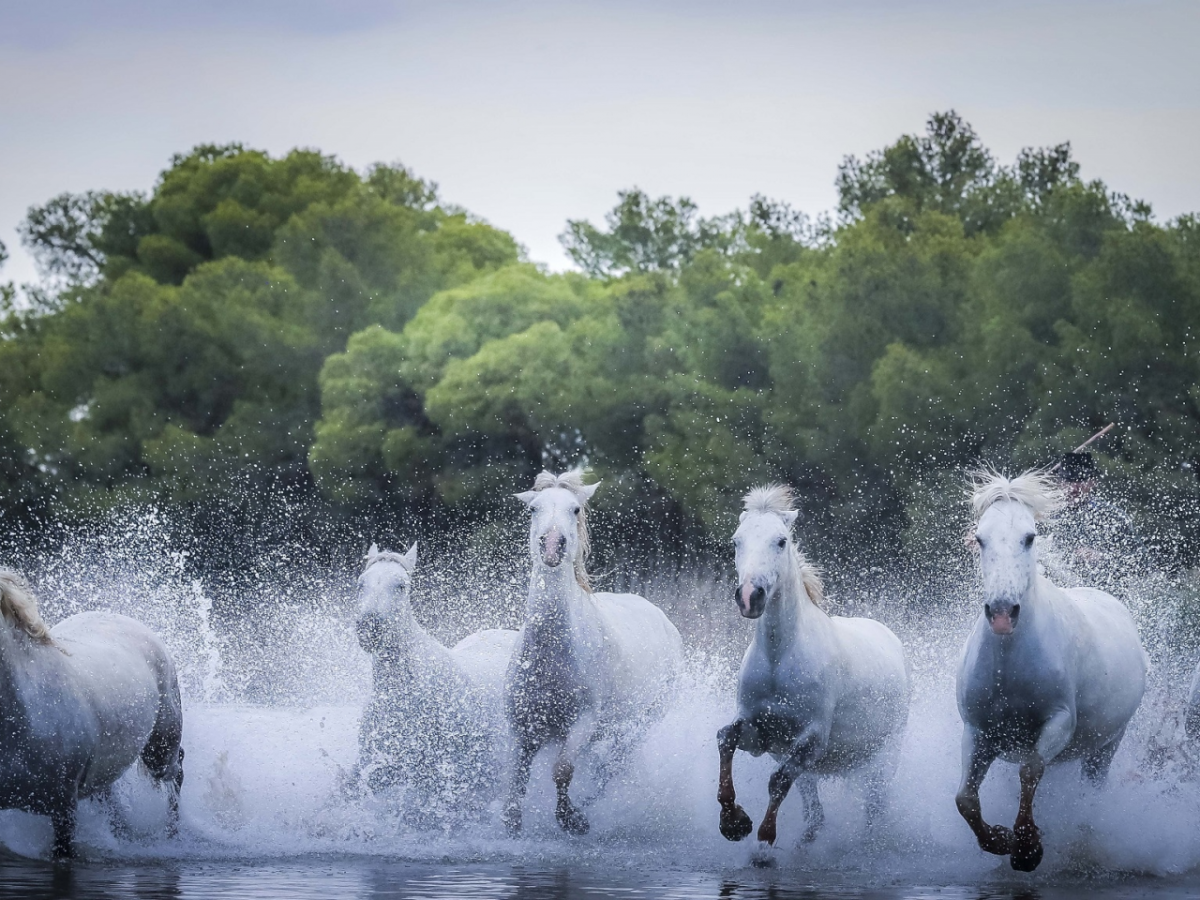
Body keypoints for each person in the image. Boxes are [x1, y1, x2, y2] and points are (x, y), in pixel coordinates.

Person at [1045, 451, 1144, 589]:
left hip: (1105, 597)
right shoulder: (1045, 516)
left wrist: (1102, 558)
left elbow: (1140, 561)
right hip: (1057, 596)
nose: (1074, 488)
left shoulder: (1114, 517)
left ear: (1093, 482)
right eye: (1068, 481)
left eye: (1081, 480)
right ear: (1059, 483)